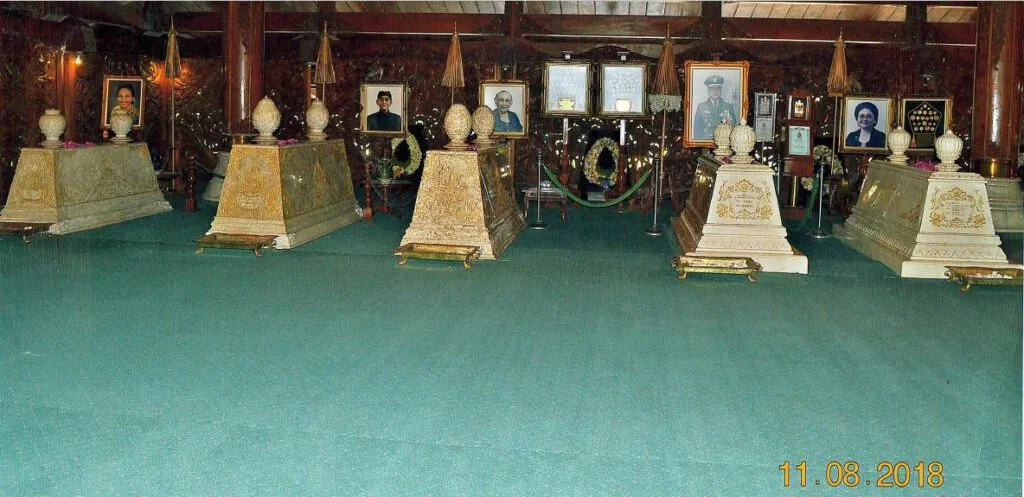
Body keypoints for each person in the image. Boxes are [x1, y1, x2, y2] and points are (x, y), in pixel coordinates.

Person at [693, 75, 736, 140]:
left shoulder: (728, 106)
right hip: (706, 140)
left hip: (723, 141)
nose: (715, 92)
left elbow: (735, 125)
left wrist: (731, 122)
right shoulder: (701, 107)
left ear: (721, 90)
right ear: (708, 90)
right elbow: (697, 130)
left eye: (718, 89)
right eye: (712, 89)